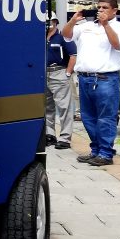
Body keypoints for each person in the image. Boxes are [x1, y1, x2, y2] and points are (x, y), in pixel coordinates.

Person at [62, 0, 120, 166]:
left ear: (114, 11)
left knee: (106, 118)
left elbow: (117, 45)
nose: (100, 10)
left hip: (106, 79)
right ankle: (96, 150)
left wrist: (106, 24)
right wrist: (73, 21)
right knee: (88, 117)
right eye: (99, 7)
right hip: (84, 77)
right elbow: (66, 35)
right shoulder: (86, 26)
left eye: (105, 7)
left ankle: (106, 153)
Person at [45, 17, 76, 149]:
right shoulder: (41, 37)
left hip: (59, 72)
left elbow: (73, 55)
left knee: (64, 107)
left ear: (56, 22)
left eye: (50, 21)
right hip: (43, 74)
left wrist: (67, 73)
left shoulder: (62, 36)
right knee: (46, 107)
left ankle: (65, 138)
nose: (47, 24)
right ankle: (49, 134)